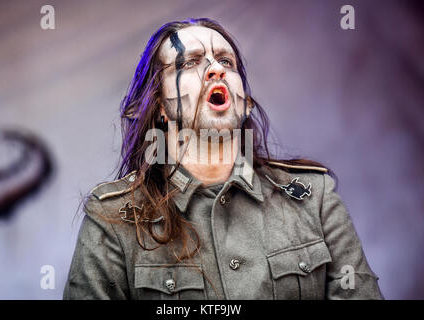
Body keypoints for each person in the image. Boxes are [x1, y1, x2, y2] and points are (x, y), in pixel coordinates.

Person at [63, 18, 383, 300]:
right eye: (190, 62)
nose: (216, 68)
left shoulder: (314, 197)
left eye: (227, 62)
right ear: (159, 105)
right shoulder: (112, 218)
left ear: (244, 103)